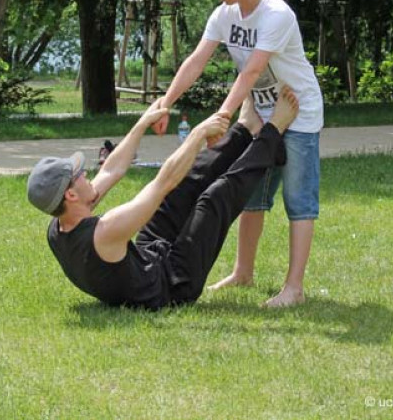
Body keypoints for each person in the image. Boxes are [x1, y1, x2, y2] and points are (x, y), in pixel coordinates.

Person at [151, 0, 323, 308]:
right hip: (261, 115)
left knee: (299, 200)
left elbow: (253, 71)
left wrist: (222, 117)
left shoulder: (276, 14)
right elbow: (197, 61)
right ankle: (243, 272)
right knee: (252, 197)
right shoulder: (225, 15)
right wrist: (165, 104)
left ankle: (294, 288)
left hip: (299, 113)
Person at [30, 90, 299, 310]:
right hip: (173, 284)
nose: (86, 173)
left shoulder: (60, 224)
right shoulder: (106, 231)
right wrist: (197, 135)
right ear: (71, 194)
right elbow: (162, 182)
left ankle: (244, 129)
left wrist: (141, 123)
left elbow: (112, 169)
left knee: (179, 191)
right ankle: (273, 130)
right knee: (213, 198)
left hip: (146, 260)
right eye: (79, 175)